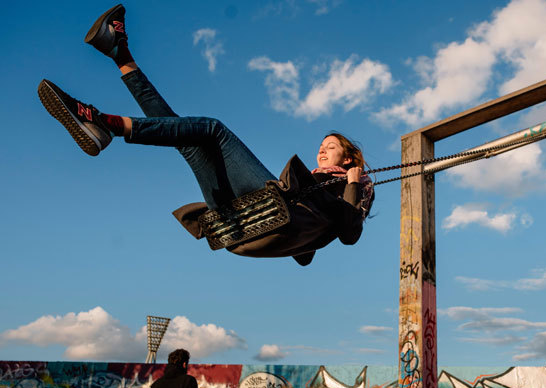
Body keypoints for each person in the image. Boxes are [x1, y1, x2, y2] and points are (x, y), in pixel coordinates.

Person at [38, 4, 374, 266]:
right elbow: (304, 254)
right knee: (187, 140)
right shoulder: (320, 189)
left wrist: (353, 183)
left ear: (349, 159)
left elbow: (349, 234)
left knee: (214, 130)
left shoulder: (356, 185)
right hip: (245, 224)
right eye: (320, 146)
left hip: (271, 222)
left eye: (330, 147)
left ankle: (103, 122)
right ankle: (120, 53)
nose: (321, 152)